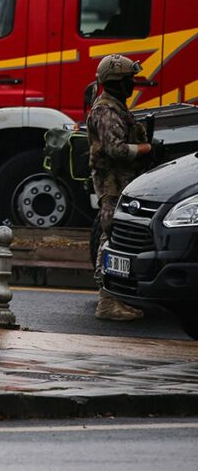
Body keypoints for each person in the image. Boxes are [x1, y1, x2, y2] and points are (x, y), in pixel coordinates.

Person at [87, 54, 153, 322]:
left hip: (123, 182)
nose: (132, 85)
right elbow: (115, 149)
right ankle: (107, 301)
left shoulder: (115, 107)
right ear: (116, 82)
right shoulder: (106, 111)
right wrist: (147, 149)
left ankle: (116, 295)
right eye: (128, 80)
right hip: (113, 184)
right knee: (110, 236)